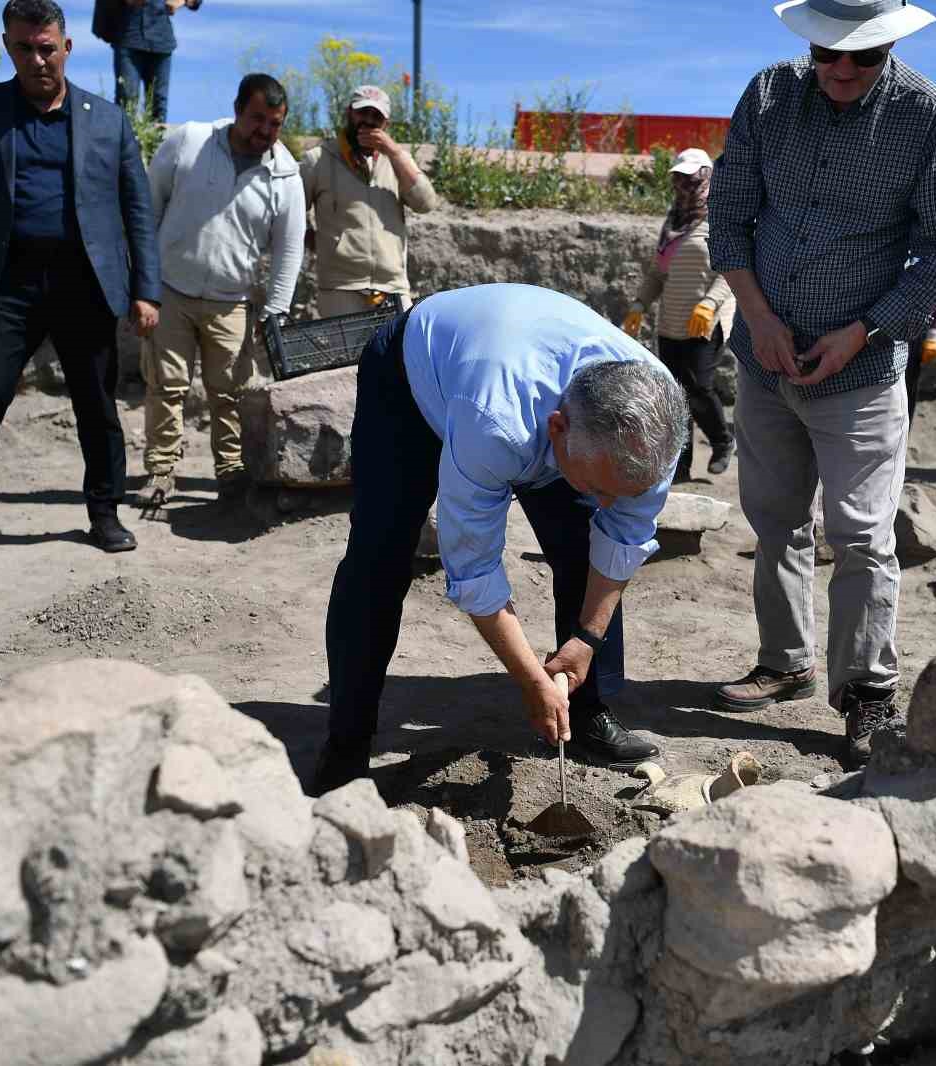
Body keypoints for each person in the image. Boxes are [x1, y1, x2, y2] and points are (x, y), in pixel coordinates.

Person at [707, 0, 936, 767]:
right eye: (830, 54)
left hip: (858, 369)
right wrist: (755, 318)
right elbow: (729, 216)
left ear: (891, 45)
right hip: (763, 360)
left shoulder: (928, 118)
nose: (844, 70)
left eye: (865, 56)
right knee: (775, 517)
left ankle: (866, 693)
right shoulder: (766, 96)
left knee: (860, 535)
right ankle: (786, 661)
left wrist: (862, 331)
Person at [316, 284, 683, 793]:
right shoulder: (497, 422)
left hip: (519, 371)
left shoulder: (657, 424)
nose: (606, 502)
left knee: (583, 546)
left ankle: (585, 712)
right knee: (380, 557)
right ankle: (347, 745)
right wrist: (530, 678)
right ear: (557, 430)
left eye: (619, 491)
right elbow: (473, 567)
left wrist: (587, 640)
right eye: (597, 486)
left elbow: (624, 535)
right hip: (413, 374)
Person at [0, 0, 162, 554]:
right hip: (6, 283)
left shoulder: (107, 119)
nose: (38, 60)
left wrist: (146, 290)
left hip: (84, 282)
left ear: (67, 48)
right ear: (7, 47)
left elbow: (137, 209)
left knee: (96, 404)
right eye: (25, 48)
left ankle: (105, 513)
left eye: (48, 48)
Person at [142, 73, 304, 508]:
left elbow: (289, 250)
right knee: (166, 386)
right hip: (170, 291)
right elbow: (148, 206)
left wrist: (275, 311)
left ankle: (231, 473)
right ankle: (161, 471)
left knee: (230, 393)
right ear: (236, 110)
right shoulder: (189, 141)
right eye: (257, 120)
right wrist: (141, 282)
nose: (265, 132)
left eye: (275, 124)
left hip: (232, 303)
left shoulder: (285, 174)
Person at [622, 146, 735, 480]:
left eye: (691, 178)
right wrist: (640, 304)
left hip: (704, 320)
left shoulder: (721, 217)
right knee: (674, 393)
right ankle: (681, 463)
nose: (686, 185)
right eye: (680, 179)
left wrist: (711, 303)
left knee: (699, 387)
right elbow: (658, 273)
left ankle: (722, 440)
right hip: (670, 321)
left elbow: (730, 270)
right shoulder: (672, 223)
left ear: (705, 177)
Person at [300, 85, 438, 317]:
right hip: (340, 288)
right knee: (347, 356)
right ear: (348, 113)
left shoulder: (396, 161)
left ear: (386, 125)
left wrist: (394, 152)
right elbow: (291, 213)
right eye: (362, 113)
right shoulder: (318, 159)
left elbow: (425, 203)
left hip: (392, 287)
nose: (368, 121)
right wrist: (314, 239)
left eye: (377, 116)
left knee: (397, 354)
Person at [90, 0, 200, 123]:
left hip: (161, 40)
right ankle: (124, 139)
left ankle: (156, 141)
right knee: (127, 101)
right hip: (129, 38)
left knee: (158, 105)